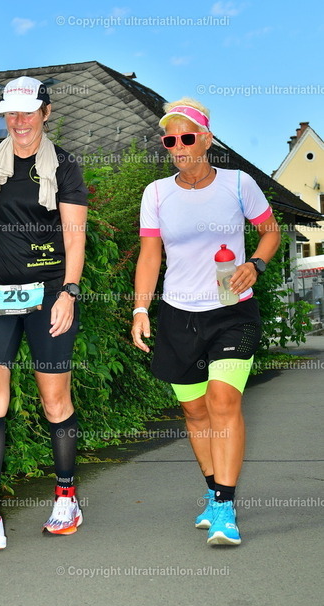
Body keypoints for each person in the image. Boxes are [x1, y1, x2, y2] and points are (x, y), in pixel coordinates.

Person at [131, 98, 280, 546]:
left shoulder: (238, 184)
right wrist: (140, 309)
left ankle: (226, 507)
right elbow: (150, 255)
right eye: (170, 140)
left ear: (207, 139)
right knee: (195, 411)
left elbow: (271, 231)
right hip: (179, 314)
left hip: (232, 310)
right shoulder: (157, 193)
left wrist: (255, 263)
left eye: (186, 137)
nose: (178, 146)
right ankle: (215, 494)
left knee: (222, 401)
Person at [0, 76, 88, 549]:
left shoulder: (64, 165)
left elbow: (74, 235)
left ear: (46, 113)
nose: (19, 121)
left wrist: (69, 292)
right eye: (11, 112)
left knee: (54, 400)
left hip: (49, 293)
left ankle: (66, 498)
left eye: (28, 112)